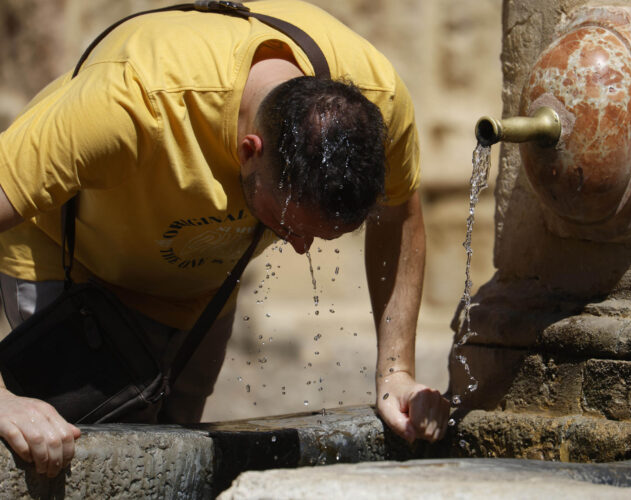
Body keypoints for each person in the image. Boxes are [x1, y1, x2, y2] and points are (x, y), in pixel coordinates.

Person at [0, 0, 450, 478]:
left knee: (169, 471)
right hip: (71, 265)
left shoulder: (378, 103)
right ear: (248, 150)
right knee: (60, 462)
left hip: (201, 279)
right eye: (289, 226)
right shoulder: (135, 101)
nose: (300, 248)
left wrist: (395, 372)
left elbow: (400, 210)